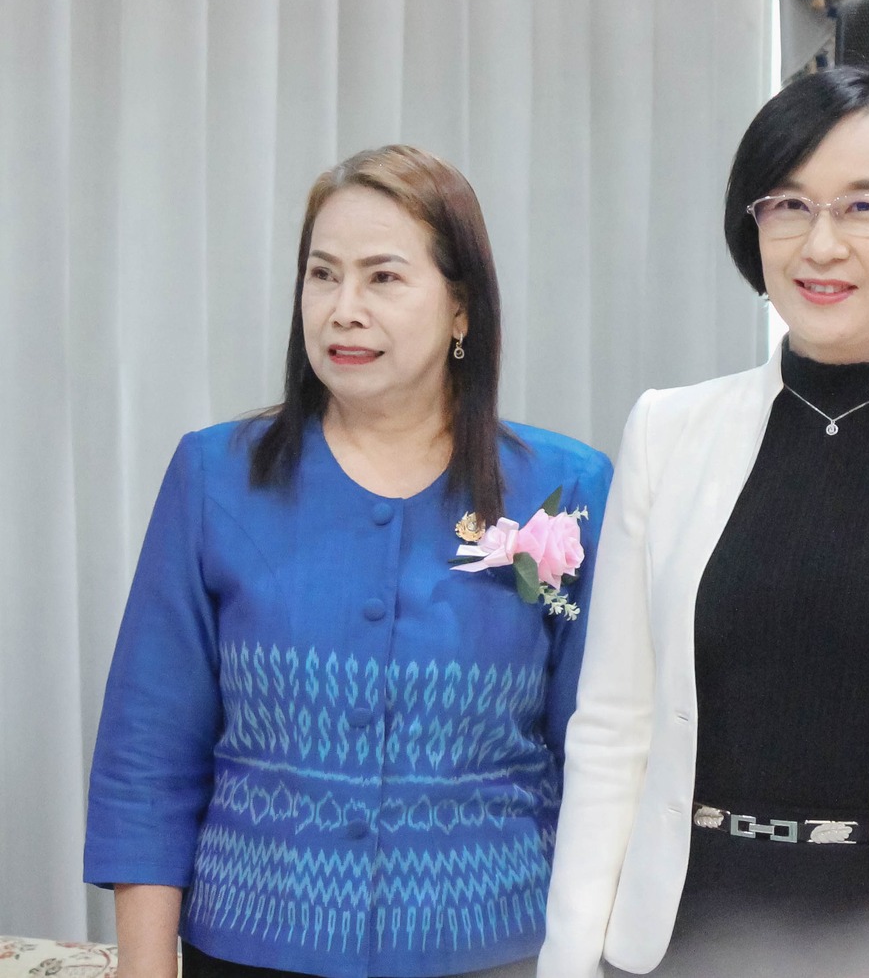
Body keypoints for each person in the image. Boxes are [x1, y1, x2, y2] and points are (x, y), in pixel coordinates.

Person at [539, 66, 869, 977]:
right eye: (788, 205)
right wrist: (571, 955)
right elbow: (614, 725)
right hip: (684, 933)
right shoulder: (669, 431)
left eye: (863, 206)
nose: (820, 245)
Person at [85, 145, 613, 978]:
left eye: (383, 278)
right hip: (251, 947)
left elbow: (602, 756)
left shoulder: (563, 491)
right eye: (322, 275)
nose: (343, 309)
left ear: (461, 307)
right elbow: (148, 754)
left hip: (497, 949)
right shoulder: (215, 476)